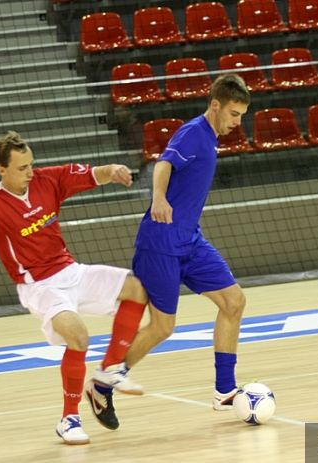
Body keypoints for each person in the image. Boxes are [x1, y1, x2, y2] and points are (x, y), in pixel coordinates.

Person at [0, 131, 148, 445]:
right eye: (22, 168)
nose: (30, 172)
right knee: (78, 336)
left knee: (136, 288)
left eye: (31, 164)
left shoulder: (47, 180)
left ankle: (110, 369)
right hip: (39, 286)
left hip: (71, 271)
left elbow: (91, 175)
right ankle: (69, 419)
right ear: (1, 170)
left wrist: (112, 170)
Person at [122, 74, 250, 409]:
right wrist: (159, 198)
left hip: (190, 241)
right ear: (215, 105)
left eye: (241, 116)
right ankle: (110, 375)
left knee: (234, 302)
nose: (237, 123)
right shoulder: (193, 133)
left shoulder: (211, 138)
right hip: (162, 242)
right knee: (162, 327)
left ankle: (225, 390)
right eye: (234, 114)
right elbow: (164, 163)